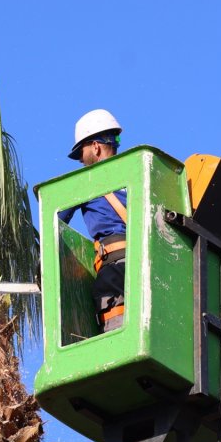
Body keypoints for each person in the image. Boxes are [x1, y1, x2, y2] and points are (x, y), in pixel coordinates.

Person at [58, 109, 128, 332]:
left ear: (96, 147)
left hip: (115, 269)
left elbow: (55, 220)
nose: (80, 160)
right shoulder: (133, 178)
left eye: (82, 153)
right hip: (147, 264)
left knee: (116, 329)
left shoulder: (84, 181)